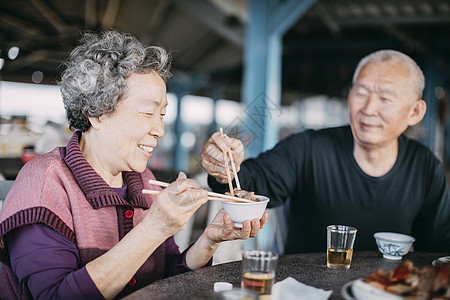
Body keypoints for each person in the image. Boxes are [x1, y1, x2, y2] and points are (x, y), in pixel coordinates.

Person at [0, 30, 268, 299]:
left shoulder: (143, 181)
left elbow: (164, 277)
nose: (159, 129)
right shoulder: (44, 183)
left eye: (162, 114)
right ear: (96, 112)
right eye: (147, 112)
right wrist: (154, 228)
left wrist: (209, 240)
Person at [202, 49, 450, 254]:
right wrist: (225, 169)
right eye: (361, 93)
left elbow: (437, 250)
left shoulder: (425, 167)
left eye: (385, 98)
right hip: (305, 291)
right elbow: (250, 182)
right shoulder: (308, 148)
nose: (369, 108)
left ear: (415, 112)